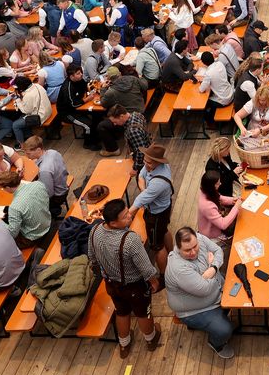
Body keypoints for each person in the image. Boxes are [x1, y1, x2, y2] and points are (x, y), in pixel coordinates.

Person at [87, 199, 162, 358]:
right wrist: (154, 282)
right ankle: (151, 338)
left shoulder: (94, 231)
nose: (130, 216)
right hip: (134, 287)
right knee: (143, 313)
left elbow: (92, 258)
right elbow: (146, 269)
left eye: (128, 212)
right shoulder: (131, 239)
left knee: (121, 312)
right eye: (125, 216)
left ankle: (124, 344)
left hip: (111, 285)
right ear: (113, 223)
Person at [164, 227, 234, 359]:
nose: (193, 251)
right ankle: (216, 344)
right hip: (194, 310)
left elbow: (218, 250)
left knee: (235, 294)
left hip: (214, 288)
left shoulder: (198, 238)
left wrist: (212, 268)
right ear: (178, 248)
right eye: (187, 250)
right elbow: (204, 290)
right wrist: (213, 267)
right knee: (225, 330)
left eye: (195, 246)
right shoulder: (178, 268)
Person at [128, 144, 174, 276]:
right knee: (164, 229)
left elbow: (140, 200)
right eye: (145, 160)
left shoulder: (159, 182)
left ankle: (164, 275)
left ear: (157, 162)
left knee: (157, 247)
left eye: (148, 162)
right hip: (164, 207)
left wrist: (128, 214)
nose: (145, 163)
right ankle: (172, 254)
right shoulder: (153, 165)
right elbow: (141, 176)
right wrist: (145, 191)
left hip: (157, 213)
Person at [0, 170, 51, 247]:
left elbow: (13, 233)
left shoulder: (15, 207)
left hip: (32, 237)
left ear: (7, 187)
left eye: (3, 188)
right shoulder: (38, 184)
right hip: (47, 223)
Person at [20, 136, 69, 217]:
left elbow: (49, 194)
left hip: (57, 196)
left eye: (28, 153)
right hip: (63, 185)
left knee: (25, 200)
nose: (26, 156)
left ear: (38, 150)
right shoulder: (52, 152)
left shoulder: (44, 170)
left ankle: (49, 213)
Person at [196, 170, 241, 242]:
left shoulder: (206, 191)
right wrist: (236, 208)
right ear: (212, 186)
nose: (220, 183)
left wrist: (232, 200)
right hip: (212, 235)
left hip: (214, 227)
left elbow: (219, 197)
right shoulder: (207, 206)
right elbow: (223, 224)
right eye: (217, 183)